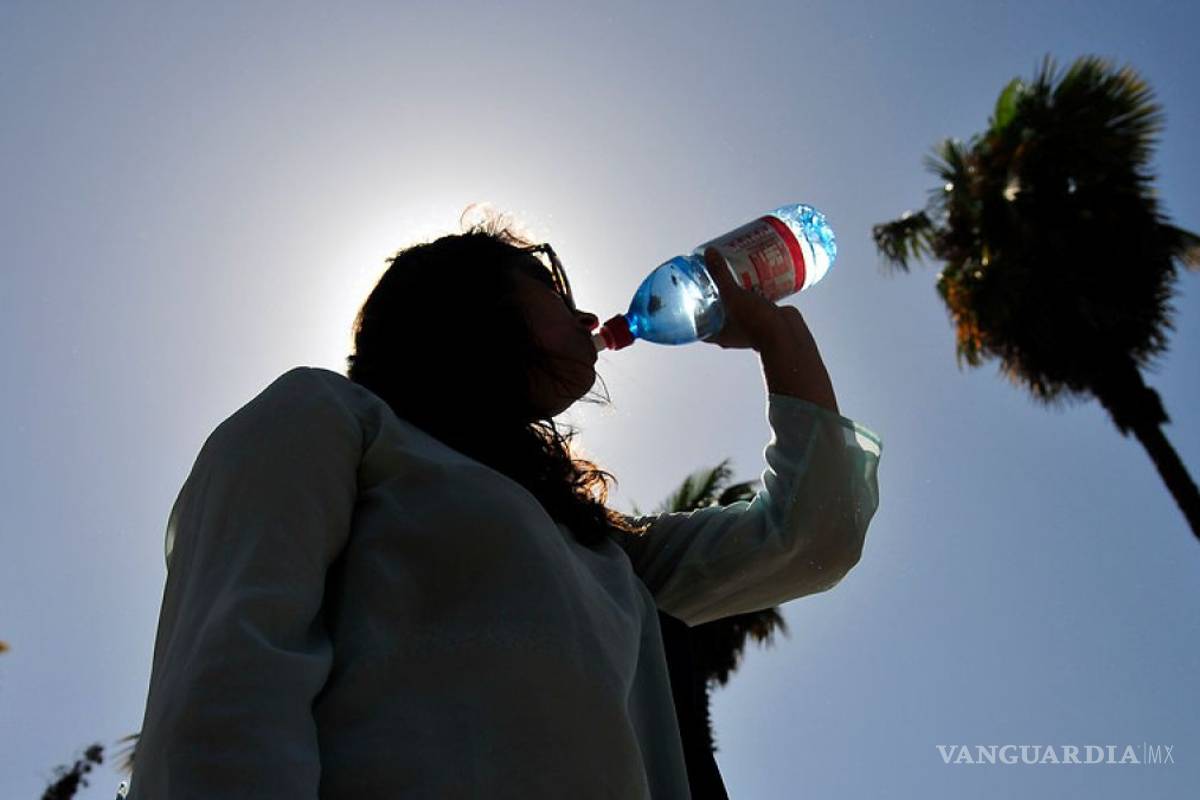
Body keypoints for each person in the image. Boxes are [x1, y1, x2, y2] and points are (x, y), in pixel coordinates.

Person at [125, 206, 882, 799]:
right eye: (554, 295)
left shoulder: (604, 555)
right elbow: (231, 678)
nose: (591, 320)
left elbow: (814, 534)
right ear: (472, 309)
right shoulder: (329, 418)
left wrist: (777, 337)